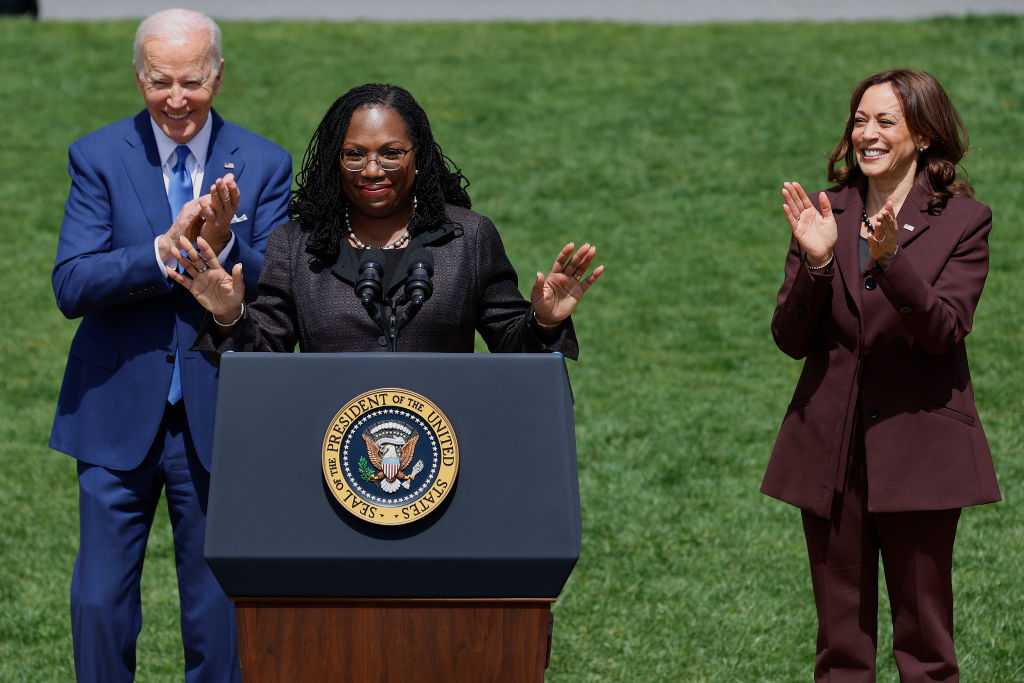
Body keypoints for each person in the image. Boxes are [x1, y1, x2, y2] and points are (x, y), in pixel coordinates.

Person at [50, 9, 292, 682]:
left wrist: (224, 247)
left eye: (192, 80)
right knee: (100, 602)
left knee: (219, 610)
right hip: (114, 411)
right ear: (138, 76)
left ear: (218, 75)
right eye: (160, 81)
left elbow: (282, 279)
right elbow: (71, 281)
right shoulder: (98, 156)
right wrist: (163, 253)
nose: (176, 98)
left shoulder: (266, 162)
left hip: (220, 412)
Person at [762, 68, 1001, 681]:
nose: (867, 134)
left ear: (922, 134)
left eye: (885, 121)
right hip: (831, 456)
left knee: (925, 650)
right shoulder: (824, 212)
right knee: (840, 651)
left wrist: (890, 263)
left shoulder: (963, 222)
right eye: (859, 120)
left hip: (921, 455)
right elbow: (790, 339)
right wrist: (817, 265)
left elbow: (943, 329)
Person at [168, 83, 602, 360]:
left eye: (391, 152)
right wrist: (229, 315)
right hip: (332, 459)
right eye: (354, 154)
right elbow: (261, 361)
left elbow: (515, 349)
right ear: (333, 163)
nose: (372, 169)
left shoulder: (469, 237)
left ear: (420, 156)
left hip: (446, 455)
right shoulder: (297, 245)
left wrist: (545, 321)